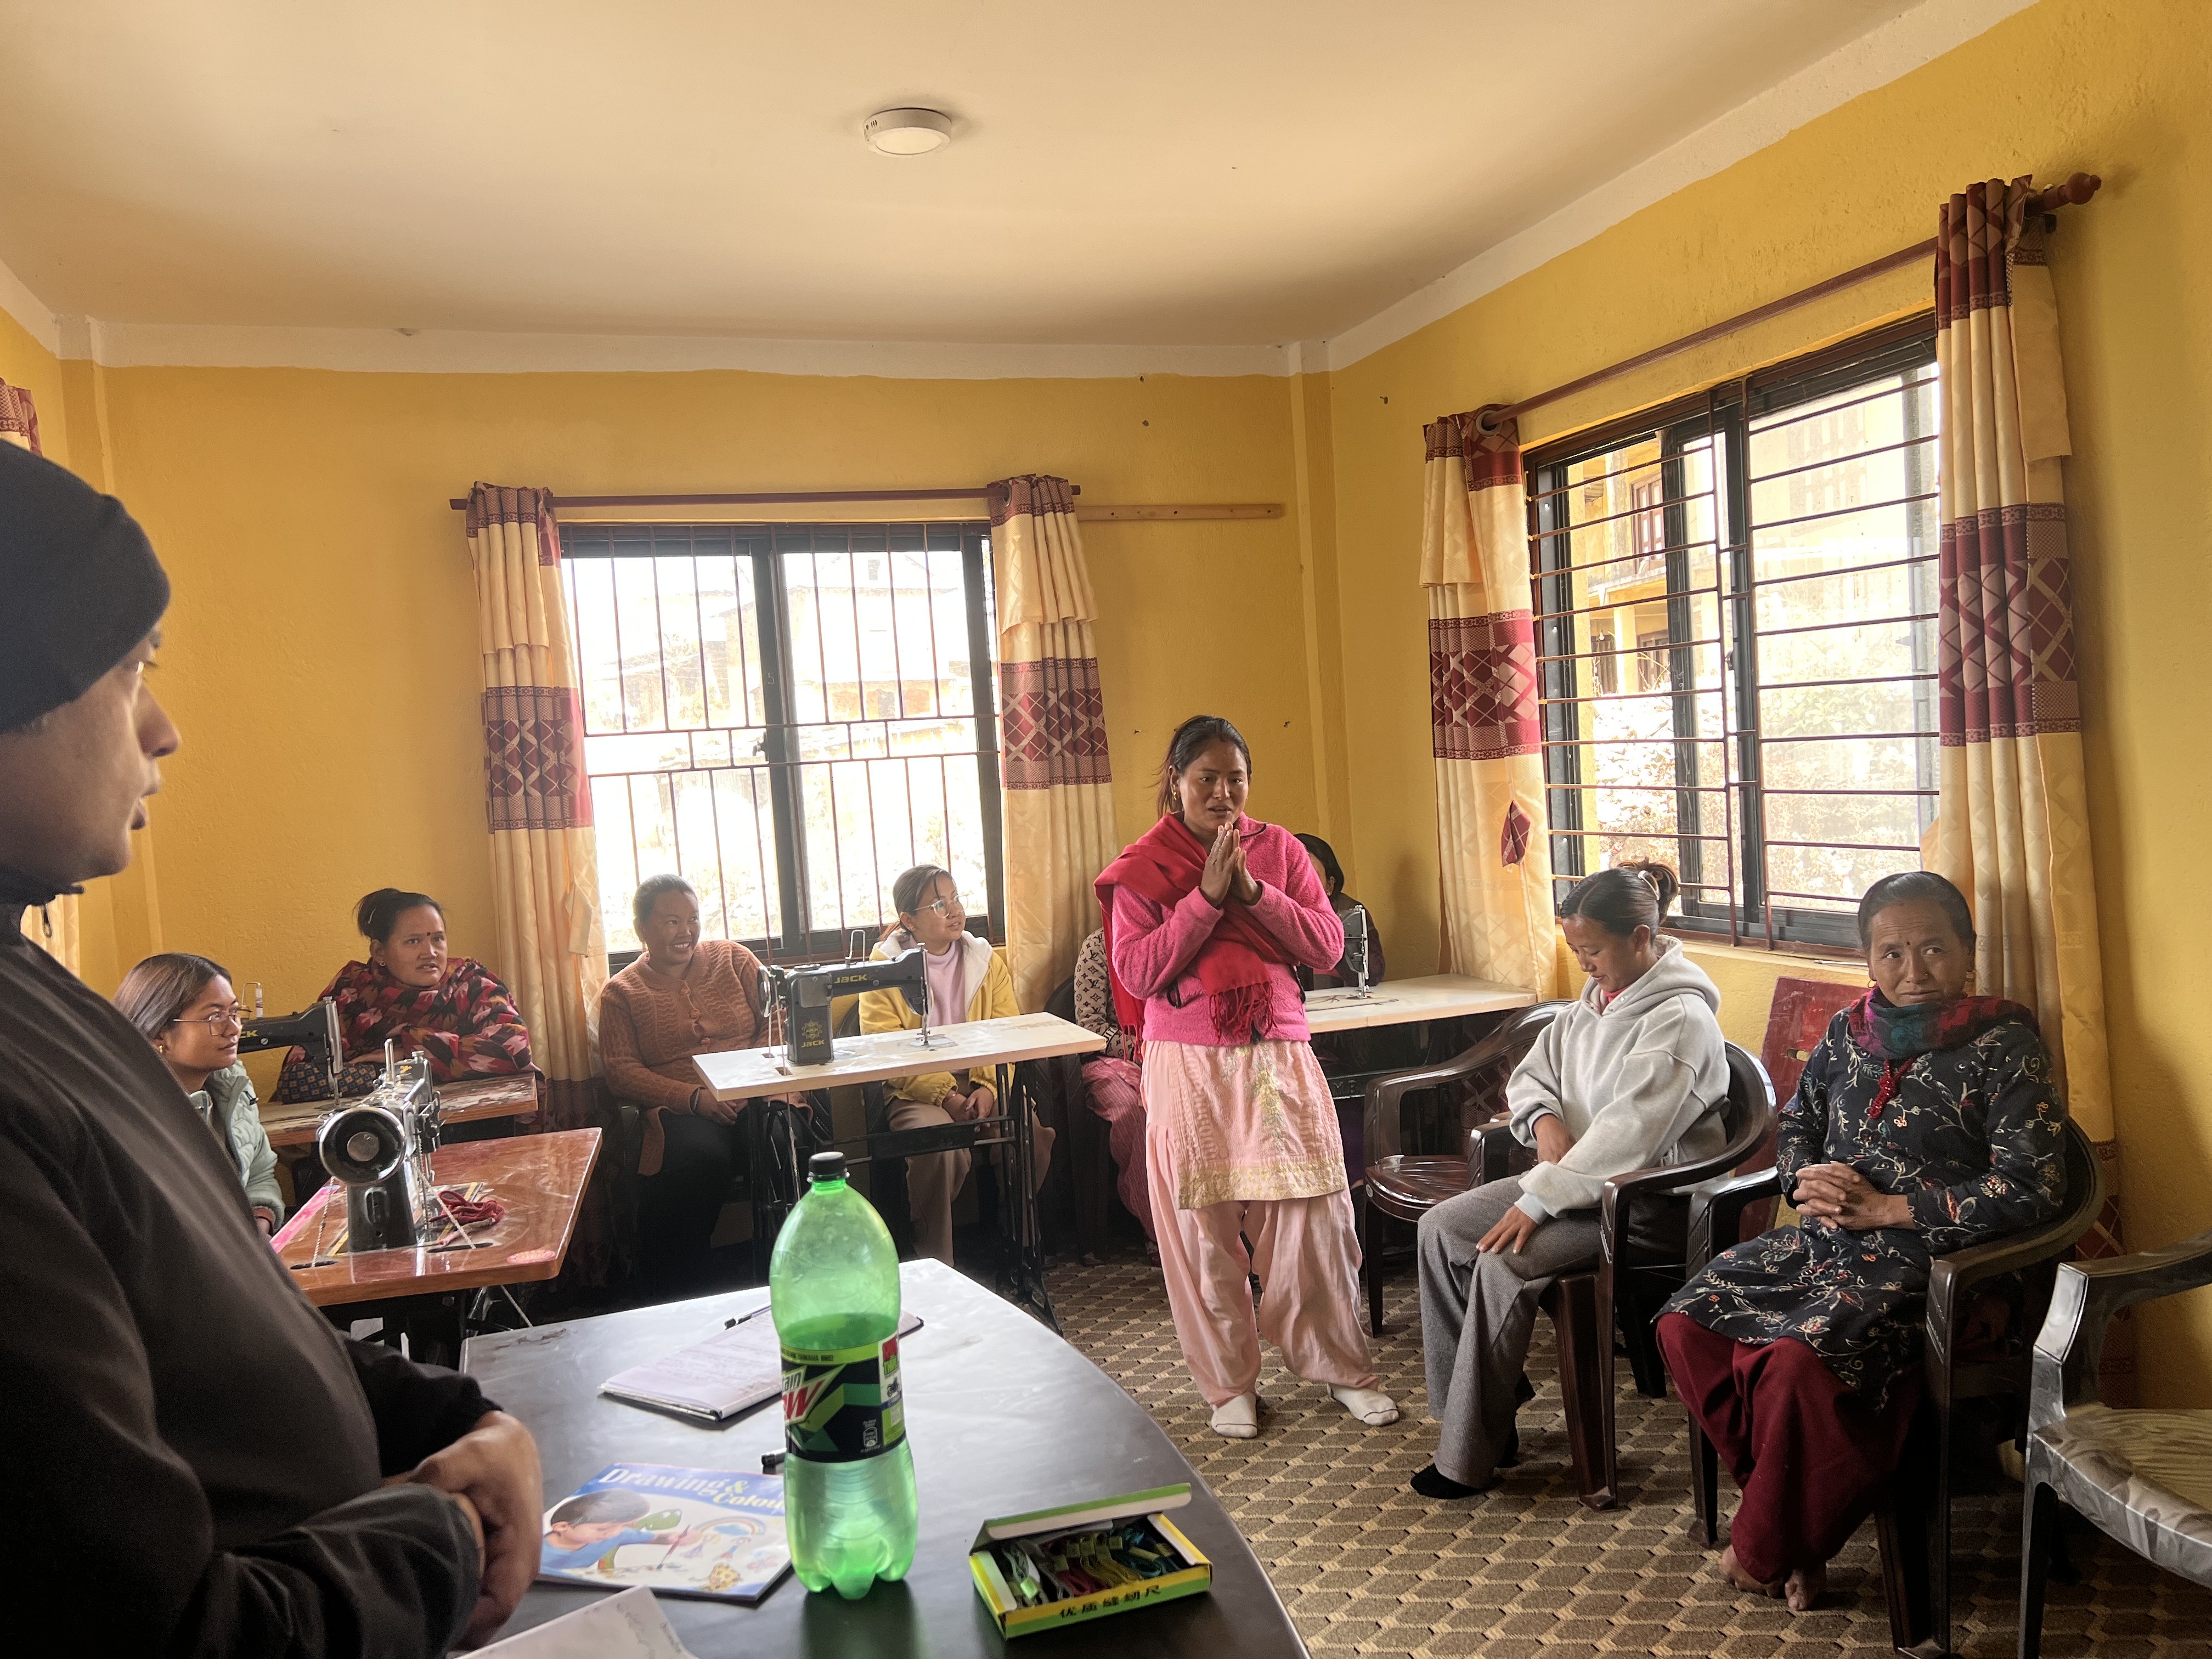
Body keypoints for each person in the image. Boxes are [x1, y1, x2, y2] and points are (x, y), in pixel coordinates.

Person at [0, 438, 540, 1653]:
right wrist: (447, 1530)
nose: (164, 728)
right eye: (130, 669)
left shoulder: (40, 993)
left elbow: (221, 1328)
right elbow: (167, 1631)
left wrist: (454, 1417)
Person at [1657, 870, 2068, 1612]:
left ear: (1969, 951)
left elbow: (2033, 1187)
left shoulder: (2006, 1046)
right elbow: (1797, 1122)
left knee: (1796, 1363)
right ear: (1869, 959)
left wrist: (1888, 1209)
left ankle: (1767, 1545)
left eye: (1934, 948)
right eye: (1892, 953)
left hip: (1939, 1264)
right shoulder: (1849, 1033)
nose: (1915, 971)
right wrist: (1802, 1179)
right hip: (1823, 1248)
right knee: (1687, 1323)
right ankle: (1794, 1530)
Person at [1097, 714, 1395, 1439]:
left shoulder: (1281, 850)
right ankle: (1229, 1385)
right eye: (1207, 778)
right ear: (1177, 781)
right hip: (1187, 1061)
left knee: (1312, 1216)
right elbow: (1136, 971)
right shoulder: (1145, 867)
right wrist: (1205, 899)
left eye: (1236, 779)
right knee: (1201, 1229)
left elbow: (1327, 947)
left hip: (1276, 1052)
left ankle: (1341, 1369)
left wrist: (1255, 894)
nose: (1223, 793)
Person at [1410, 860, 1728, 1498]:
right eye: (1576, 950)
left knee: (1502, 1261)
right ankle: (1487, 1413)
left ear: (1641, 938)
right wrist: (1544, 1121)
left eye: (1593, 951)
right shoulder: (1593, 1003)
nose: (1583, 964)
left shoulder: (1679, 1020)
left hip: (1645, 1205)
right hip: (1576, 1185)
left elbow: (1630, 1134)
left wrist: (1540, 1200)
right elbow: (1533, 1074)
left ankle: (1467, 1457)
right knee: (1439, 1229)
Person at [858, 864, 1056, 1266]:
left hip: (983, 1079)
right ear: (909, 920)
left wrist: (988, 1089)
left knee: (1029, 1135)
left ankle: (1018, 1243)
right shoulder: (883, 970)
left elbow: (1006, 1032)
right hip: (916, 1091)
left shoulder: (984, 960)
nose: (955, 911)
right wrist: (947, 1096)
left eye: (956, 899)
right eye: (938, 905)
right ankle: (936, 1259)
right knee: (940, 1148)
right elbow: (891, 1052)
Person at [599, 873, 781, 1291]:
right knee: (697, 1160)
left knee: (780, 1141)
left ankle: (790, 1267)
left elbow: (779, 1016)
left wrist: (750, 1079)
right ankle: (684, 1287)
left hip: (758, 1092)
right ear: (641, 928)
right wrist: (694, 1098)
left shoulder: (734, 958)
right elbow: (621, 1071)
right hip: (686, 1110)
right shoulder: (621, 993)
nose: (686, 932)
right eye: (672, 922)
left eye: (693, 919)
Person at [273, 888, 535, 1104]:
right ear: (379, 952)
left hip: (472, 1125)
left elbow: (514, 1048)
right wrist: (381, 1074)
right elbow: (297, 1076)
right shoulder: (352, 992)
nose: (430, 952)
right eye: (413, 941)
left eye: (438, 939)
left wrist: (407, 1055)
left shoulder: (472, 985)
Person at [114, 951, 284, 1233]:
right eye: (215, 1017)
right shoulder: (131, 1115)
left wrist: (259, 1226)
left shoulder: (233, 1086)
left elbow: (260, 1173)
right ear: (159, 1034)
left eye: (234, 1013)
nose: (234, 1029)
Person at [1070, 925, 1154, 1243]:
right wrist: (1141, 1048)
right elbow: (1091, 1027)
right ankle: (1158, 1229)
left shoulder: (1169, 938)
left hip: (1166, 1052)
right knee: (1138, 1112)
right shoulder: (1098, 946)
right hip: (1107, 1060)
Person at [1294, 832, 1387, 989]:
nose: (1301, 885)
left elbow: (1372, 974)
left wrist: (1331, 938)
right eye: (1293, 875)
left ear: (1330, 885)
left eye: (1311, 876)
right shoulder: (1273, 915)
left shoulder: (1351, 912)